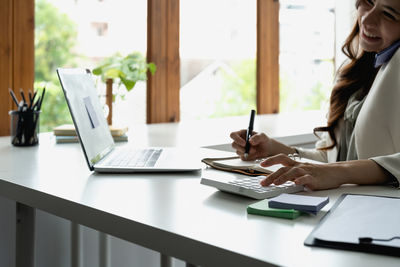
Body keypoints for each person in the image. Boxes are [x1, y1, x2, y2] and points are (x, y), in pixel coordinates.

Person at [230, 0, 400, 190]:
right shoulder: (355, 70)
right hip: (341, 205)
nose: (367, 18)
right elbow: (330, 161)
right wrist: (273, 149)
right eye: (368, 2)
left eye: (389, 14)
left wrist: (341, 172)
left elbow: (336, 170)